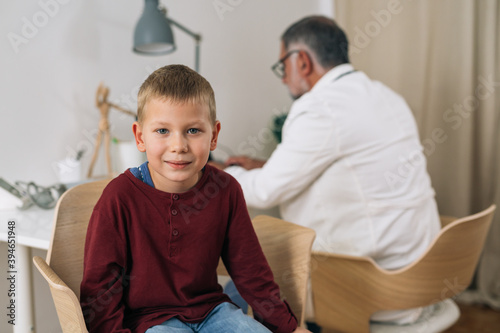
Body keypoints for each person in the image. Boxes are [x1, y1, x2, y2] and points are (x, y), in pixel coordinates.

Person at [213, 16, 441, 325]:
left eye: (283, 67)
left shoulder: (319, 107)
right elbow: (348, 168)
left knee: (232, 293)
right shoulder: (385, 96)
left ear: (302, 61)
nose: (283, 79)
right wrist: (266, 165)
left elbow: (263, 191)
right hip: (422, 280)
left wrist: (214, 170)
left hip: (372, 289)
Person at [80, 65, 310, 333]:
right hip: (150, 322)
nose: (179, 146)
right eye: (162, 131)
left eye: (193, 131)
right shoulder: (119, 197)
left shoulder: (226, 190)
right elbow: (99, 289)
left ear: (214, 135)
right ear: (140, 137)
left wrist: (290, 329)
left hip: (214, 312)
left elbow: (252, 272)